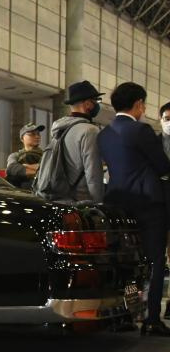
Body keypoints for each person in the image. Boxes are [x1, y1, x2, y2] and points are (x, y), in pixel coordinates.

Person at [98, 81, 170, 335]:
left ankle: (128, 313)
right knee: (155, 260)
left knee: (127, 262)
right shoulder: (141, 131)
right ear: (138, 104)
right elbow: (162, 166)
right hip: (148, 203)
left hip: (117, 203)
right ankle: (151, 318)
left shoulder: (104, 134)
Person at [47, 80, 105, 204]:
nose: (97, 104)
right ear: (88, 103)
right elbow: (93, 174)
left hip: (58, 198)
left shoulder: (60, 128)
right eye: (97, 101)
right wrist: (98, 204)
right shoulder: (90, 131)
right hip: (80, 203)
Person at [5, 123, 45, 191]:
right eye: (32, 134)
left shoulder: (46, 155)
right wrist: (39, 171)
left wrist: (26, 166)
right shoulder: (15, 155)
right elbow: (11, 169)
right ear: (22, 138)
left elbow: (50, 171)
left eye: (38, 134)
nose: (37, 136)